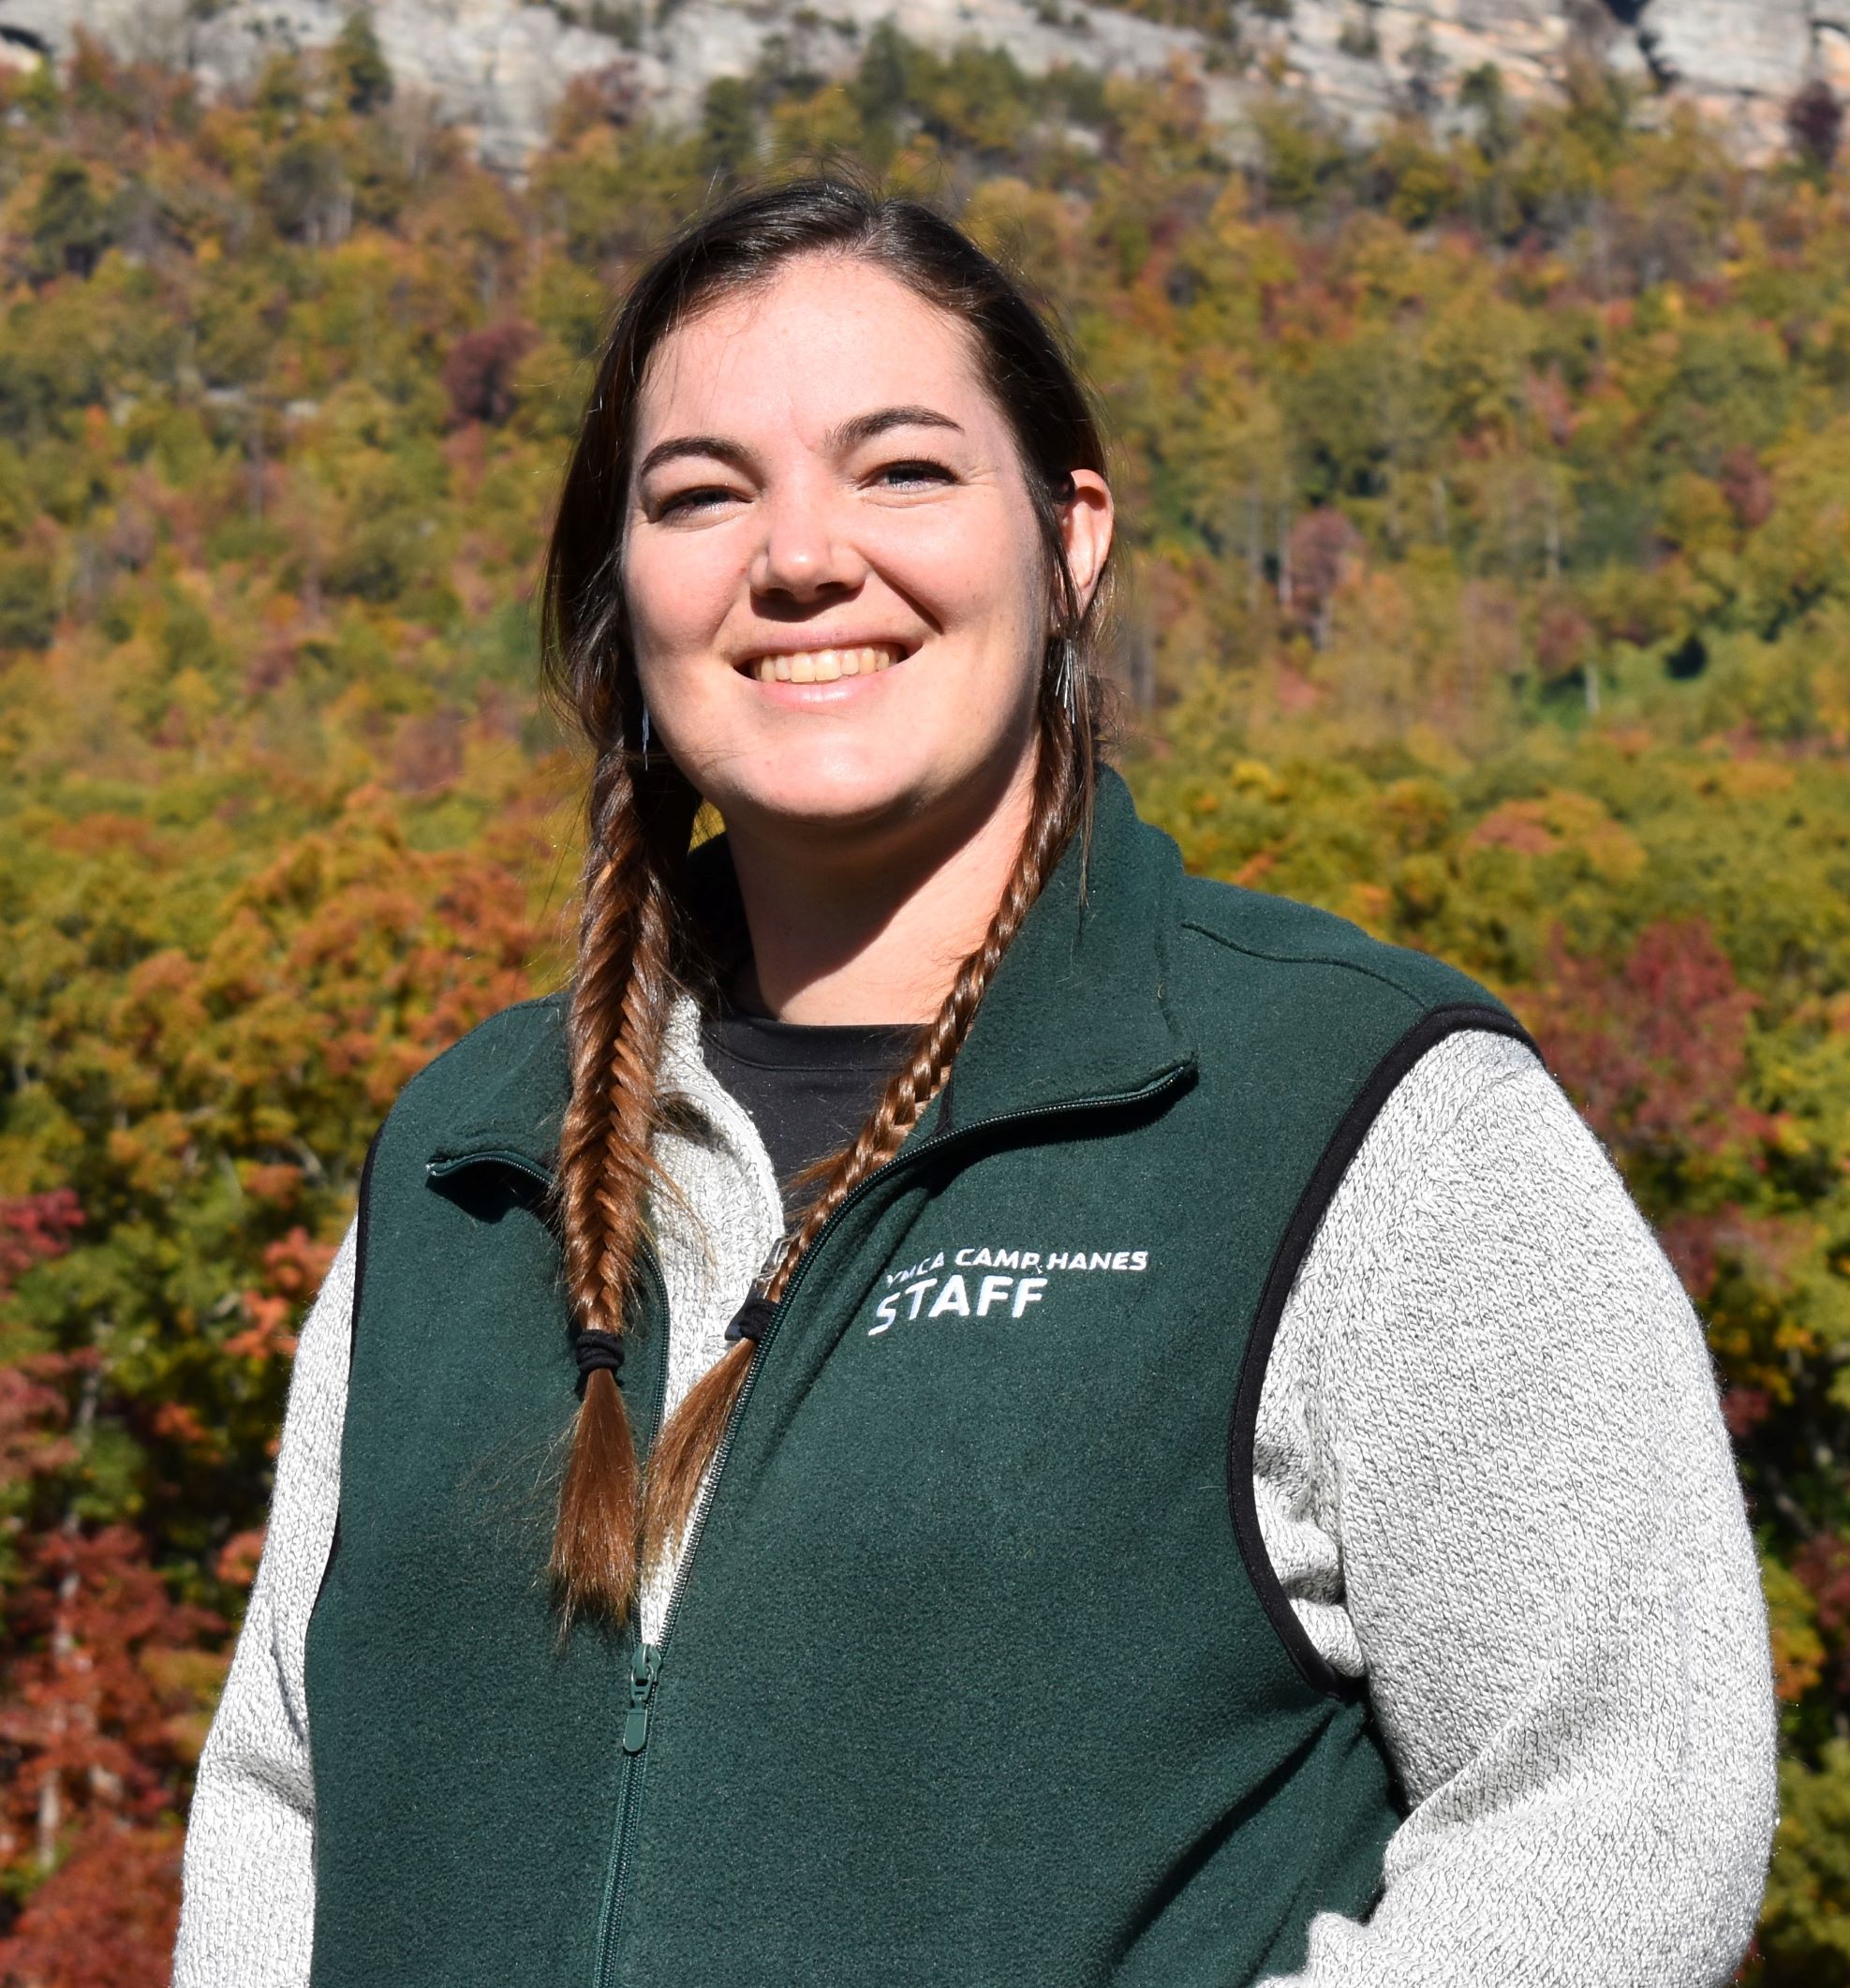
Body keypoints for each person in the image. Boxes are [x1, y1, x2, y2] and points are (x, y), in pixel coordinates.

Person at [172, 177, 1777, 1988]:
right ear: (623, 586)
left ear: (1069, 533)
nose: (798, 557)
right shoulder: (466, 1161)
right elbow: (281, 1799)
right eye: (701, 492)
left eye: (904, 470)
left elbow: (1619, 1806)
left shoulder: (1355, 1113)